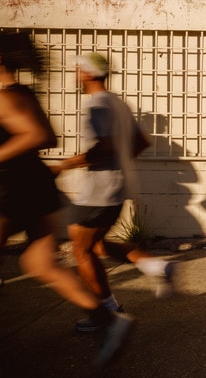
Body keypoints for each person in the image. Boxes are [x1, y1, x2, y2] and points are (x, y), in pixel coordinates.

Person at [0, 32, 133, 368]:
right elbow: (47, 133)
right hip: (34, 186)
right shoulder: (22, 92)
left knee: (73, 253)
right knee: (39, 264)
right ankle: (108, 320)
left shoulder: (5, 97)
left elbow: (37, 134)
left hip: (11, 190)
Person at [51, 52, 177, 333]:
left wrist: (64, 164)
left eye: (78, 69)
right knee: (96, 245)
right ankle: (157, 267)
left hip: (99, 188)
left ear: (89, 73)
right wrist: (122, 162)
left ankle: (107, 314)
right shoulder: (118, 102)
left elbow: (104, 147)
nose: (75, 74)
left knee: (80, 250)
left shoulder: (97, 104)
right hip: (118, 186)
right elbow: (142, 141)